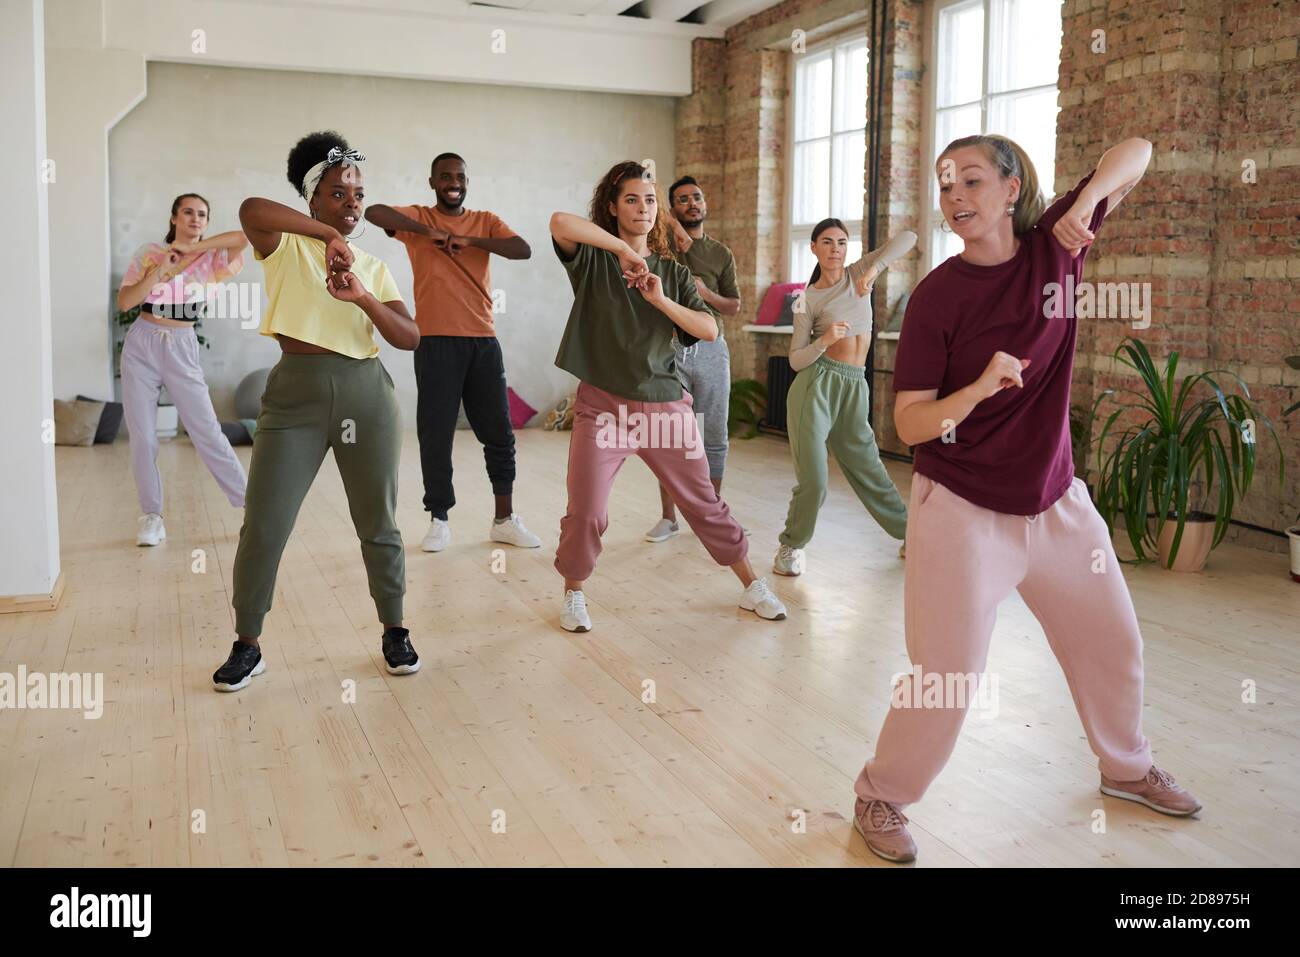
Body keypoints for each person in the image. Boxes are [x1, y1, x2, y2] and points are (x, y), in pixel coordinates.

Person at [850, 134, 1201, 863]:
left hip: (1055, 501)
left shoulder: (1056, 250)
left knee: (1115, 640)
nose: (955, 198)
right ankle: (881, 793)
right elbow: (911, 420)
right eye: (946, 186)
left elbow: (1139, 150)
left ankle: (1127, 767)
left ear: (1013, 189)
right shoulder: (936, 297)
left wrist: (1093, 199)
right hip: (960, 506)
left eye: (973, 181)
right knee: (945, 678)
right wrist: (976, 389)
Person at [213, 131, 421, 692]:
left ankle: (395, 631)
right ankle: (247, 643)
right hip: (293, 399)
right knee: (265, 523)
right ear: (312, 199)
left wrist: (363, 298)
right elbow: (250, 209)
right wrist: (328, 235)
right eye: (337, 193)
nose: (352, 202)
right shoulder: (283, 245)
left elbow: (409, 337)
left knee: (378, 523)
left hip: (365, 395)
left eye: (358, 193)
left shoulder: (374, 266)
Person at [548, 161, 788, 633]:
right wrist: (621, 249)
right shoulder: (593, 259)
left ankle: (751, 584)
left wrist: (659, 298)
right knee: (587, 510)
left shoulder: (673, 274)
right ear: (613, 209)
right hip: (602, 409)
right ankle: (574, 593)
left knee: (703, 503)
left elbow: (710, 329)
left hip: (662, 405)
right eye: (632, 200)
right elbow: (559, 222)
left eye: (650, 200)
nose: (643, 208)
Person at [365, 153, 540, 553]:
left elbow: (522, 249)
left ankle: (504, 519)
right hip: (435, 343)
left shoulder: (485, 220)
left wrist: (470, 240)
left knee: (499, 434)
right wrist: (427, 232)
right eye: (445, 176)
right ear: (432, 182)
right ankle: (439, 519)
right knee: (436, 434)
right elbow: (375, 212)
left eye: (460, 176)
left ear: (467, 181)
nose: (453, 182)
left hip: (482, 341)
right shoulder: (418, 218)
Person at [773, 222, 916, 576]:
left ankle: (910, 536)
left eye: (841, 242)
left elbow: (909, 238)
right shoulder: (809, 298)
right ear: (813, 248)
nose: (836, 248)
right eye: (827, 242)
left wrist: (877, 268)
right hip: (816, 387)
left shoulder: (858, 273)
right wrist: (824, 341)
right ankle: (790, 547)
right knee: (815, 480)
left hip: (854, 385)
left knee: (869, 467)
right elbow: (795, 360)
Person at [117, 194, 249, 546]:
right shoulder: (149, 253)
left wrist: (193, 249)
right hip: (142, 342)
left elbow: (244, 236)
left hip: (181, 345)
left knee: (206, 431)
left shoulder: (214, 259)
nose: (194, 218)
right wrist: (161, 269)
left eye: (202, 215)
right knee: (143, 437)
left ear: (206, 223)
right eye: (188, 212)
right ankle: (151, 517)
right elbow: (126, 301)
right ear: (174, 217)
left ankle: (252, 509)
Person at [644, 176, 742, 544]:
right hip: (668, 347)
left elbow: (733, 306)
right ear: (671, 209)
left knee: (714, 434)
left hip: (712, 348)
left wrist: (706, 293)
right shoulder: (663, 245)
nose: (692, 204)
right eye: (682, 200)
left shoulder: (720, 253)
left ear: (705, 203)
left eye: (697, 198)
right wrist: (669, 221)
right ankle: (669, 518)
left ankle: (713, 516)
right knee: (670, 436)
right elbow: (656, 217)